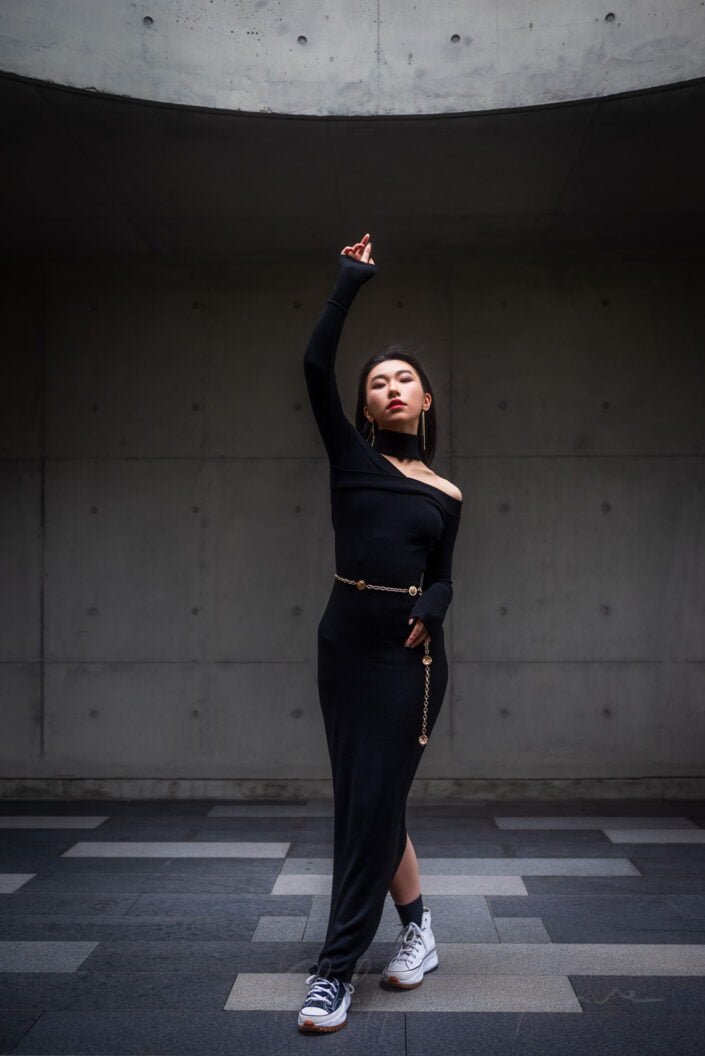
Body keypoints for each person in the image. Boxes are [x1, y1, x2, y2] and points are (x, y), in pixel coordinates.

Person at [297, 233, 463, 1033]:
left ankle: (333, 974)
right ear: (364, 406)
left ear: (425, 400)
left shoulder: (446, 491)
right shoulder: (348, 460)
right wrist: (347, 282)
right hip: (344, 648)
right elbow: (309, 367)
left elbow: (444, 574)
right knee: (365, 801)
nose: (391, 388)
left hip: (409, 657)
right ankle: (419, 931)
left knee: (371, 805)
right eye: (377, 382)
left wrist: (434, 602)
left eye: (404, 380)